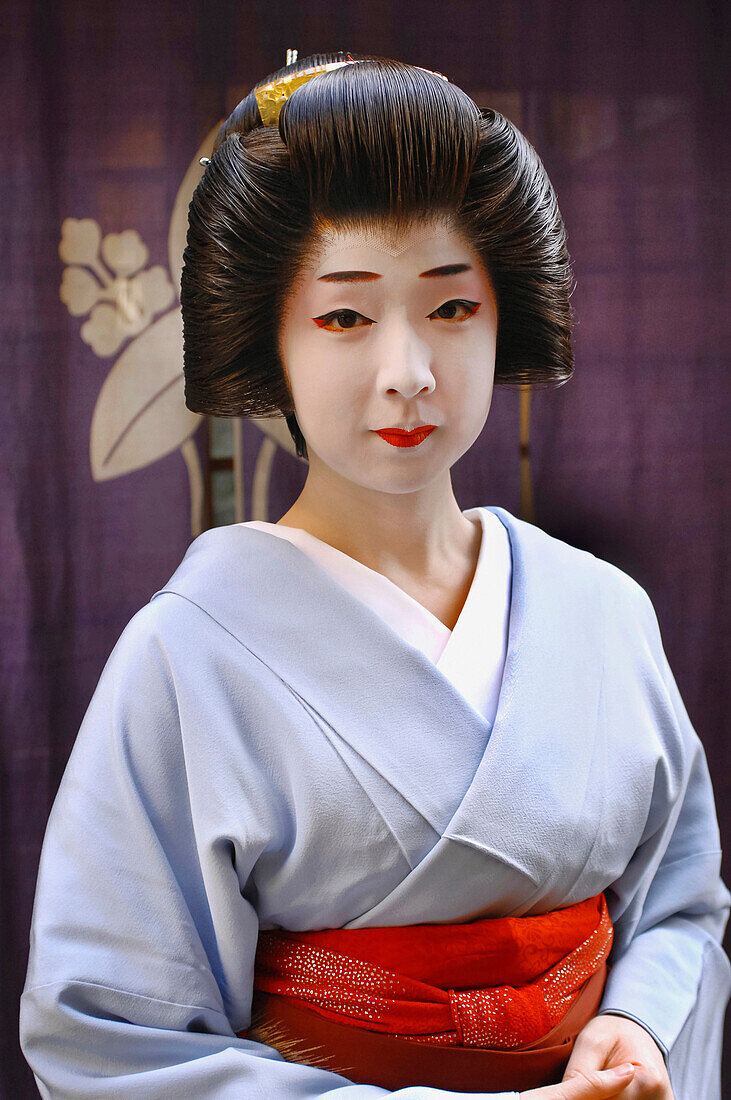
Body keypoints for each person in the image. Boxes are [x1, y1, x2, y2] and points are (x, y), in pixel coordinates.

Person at [19, 52, 730, 1100]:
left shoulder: (601, 611)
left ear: (504, 319)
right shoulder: (188, 651)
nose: (407, 370)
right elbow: (111, 1035)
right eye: (345, 316)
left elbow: (677, 899)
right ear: (270, 336)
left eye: (450, 309)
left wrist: (635, 1023)